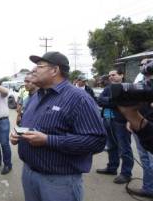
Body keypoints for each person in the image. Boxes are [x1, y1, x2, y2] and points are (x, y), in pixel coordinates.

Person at [10, 51, 106, 201]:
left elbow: (96, 141)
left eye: (40, 66)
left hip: (59, 182)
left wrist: (48, 140)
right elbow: (28, 124)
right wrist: (18, 134)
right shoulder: (36, 96)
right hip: (29, 173)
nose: (34, 70)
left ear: (55, 70)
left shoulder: (78, 99)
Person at [115, 58, 153, 198]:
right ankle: (149, 188)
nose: (144, 67)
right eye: (142, 65)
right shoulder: (140, 83)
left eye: (147, 64)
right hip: (143, 126)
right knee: (145, 158)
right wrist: (132, 118)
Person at [96, 69, 134, 184]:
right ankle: (112, 168)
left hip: (121, 122)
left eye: (114, 74)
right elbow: (99, 101)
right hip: (107, 120)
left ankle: (126, 173)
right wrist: (115, 101)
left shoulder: (128, 88)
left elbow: (127, 104)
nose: (111, 77)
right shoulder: (108, 88)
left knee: (124, 148)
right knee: (111, 146)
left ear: (121, 75)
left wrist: (112, 101)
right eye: (109, 75)